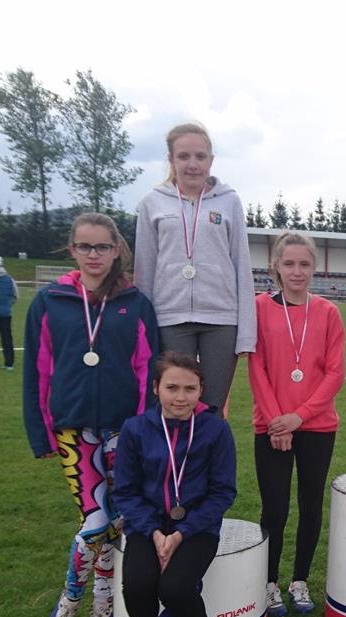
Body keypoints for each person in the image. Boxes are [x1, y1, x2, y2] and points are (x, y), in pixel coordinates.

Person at [24, 213, 160, 617]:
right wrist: (40, 431)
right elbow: (37, 370)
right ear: (72, 250)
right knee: (96, 517)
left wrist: (146, 430)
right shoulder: (50, 301)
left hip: (126, 431)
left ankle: (103, 604)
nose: (93, 255)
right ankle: (70, 599)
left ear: (116, 249)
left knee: (117, 518)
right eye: (84, 246)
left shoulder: (135, 303)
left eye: (102, 246)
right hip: (72, 429)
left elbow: (147, 371)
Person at [112, 351, 236, 617]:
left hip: (198, 526)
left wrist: (182, 532)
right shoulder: (135, 429)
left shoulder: (215, 430)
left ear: (201, 391)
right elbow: (125, 491)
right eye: (172, 388)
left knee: (175, 587)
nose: (180, 397)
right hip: (147, 525)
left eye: (189, 389)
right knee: (137, 585)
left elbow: (223, 492)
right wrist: (154, 532)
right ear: (156, 388)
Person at [248, 233, 345, 617]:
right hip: (270, 425)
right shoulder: (259, 307)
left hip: (317, 426)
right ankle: (269, 582)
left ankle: (299, 580)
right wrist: (278, 422)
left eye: (304, 264)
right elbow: (256, 367)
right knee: (274, 508)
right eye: (289, 264)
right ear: (276, 266)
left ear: (314, 267)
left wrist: (299, 417)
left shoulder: (328, 312)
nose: (297, 271)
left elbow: (335, 373)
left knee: (310, 505)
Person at [134, 122, 255, 416]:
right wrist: (142, 328)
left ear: (211, 160)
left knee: (211, 410)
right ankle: (174, 450)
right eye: (183, 156)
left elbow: (241, 264)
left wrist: (246, 333)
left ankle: (211, 449)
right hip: (170, 318)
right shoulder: (152, 202)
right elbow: (144, 268)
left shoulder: (229, 201)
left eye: (200, 156)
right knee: (176, 407)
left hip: (221, 319)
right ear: (171, 159)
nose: (192, 164)